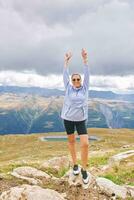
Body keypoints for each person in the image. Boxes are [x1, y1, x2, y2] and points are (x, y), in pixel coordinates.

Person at [60, 48, 90, 184]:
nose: (77, 81)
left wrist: (85, 60)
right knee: (71, 142)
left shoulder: (85, 88)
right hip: (68, 119)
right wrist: (66, 62)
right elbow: (65, 74)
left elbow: (87, 74)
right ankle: (75, 165)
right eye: (74, 79)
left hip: (81, 120)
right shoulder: (68, 87)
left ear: (81, 80)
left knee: (85, 144)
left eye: (78, 79)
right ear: (71, 81)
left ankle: (84, 170)